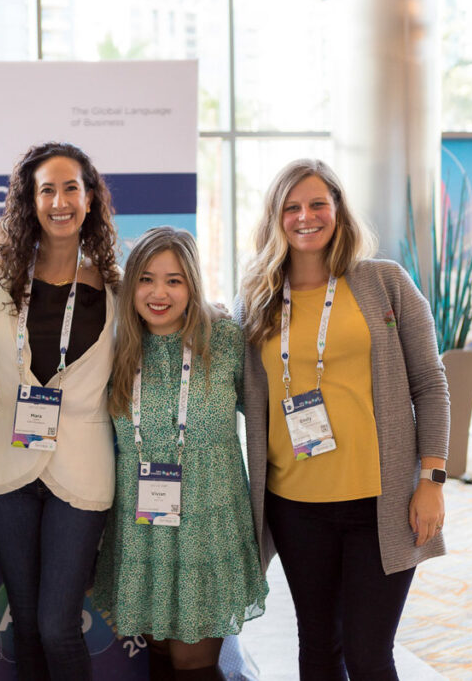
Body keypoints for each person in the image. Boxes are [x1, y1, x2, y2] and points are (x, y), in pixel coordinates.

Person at [237, 158, 449, 680]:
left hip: (381, 503)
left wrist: (432, 480)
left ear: (338, 211)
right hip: (295, 507)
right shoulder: (257, 300)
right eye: (292, 207)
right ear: (275, 218)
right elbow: (237, 392)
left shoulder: (384, 283)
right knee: (317, 647)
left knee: (369, 653)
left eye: (317, 204)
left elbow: (431, 384)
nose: (305, 216)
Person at [92, 226, 269, 681]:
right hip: (143, 531)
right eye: (147, 279)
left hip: (208, 530)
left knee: (193, 665)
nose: (159, 293)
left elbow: (270, 416)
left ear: (192, 284)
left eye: (174, 280)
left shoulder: (226, 340)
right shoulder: (115, 350)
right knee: (160, 661)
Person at [0, 141, 120, 681]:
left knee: (58, 624)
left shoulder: (119, 285)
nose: (60, 201)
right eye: (46, 189)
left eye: (71, 188)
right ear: (29, 201)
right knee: (28, 623)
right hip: (3, 466)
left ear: (90, 199)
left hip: (83, 469)